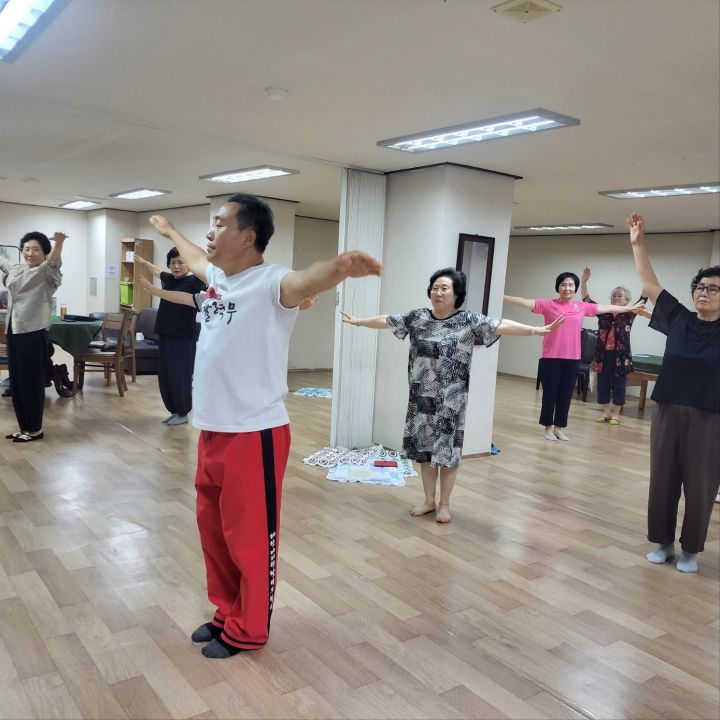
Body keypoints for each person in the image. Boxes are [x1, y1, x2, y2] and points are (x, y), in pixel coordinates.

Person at [148, 194, 382, 658]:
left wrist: (338, 268)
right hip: (212, 428)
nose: (211, 232)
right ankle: (226, 611)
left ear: (247, 236)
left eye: (220, 224)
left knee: (250, 537)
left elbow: (304, 279)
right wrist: (171, 231)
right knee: (214, 531)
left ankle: (249, 627)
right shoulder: (219, 278)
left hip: (254, 433)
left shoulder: (272, 282)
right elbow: (195, 258)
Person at [341, 267, 563, 524]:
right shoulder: (418, 317)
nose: (438, 292)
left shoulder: (468, 320)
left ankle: (444, 504)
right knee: (424, 451)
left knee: (447, 454)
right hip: (421, 398)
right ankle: (428, 500)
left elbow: (501, 325)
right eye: (435, 288)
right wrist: (360, 321)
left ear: (456, 293)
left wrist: (535, 330)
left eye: (444, 288)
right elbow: (388, 320)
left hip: (451, 401)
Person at [627, 212, 720, 573]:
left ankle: (691, 550)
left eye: (712, 288)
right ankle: (663, 543)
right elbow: (650, 286)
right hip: (667, 411)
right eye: (700, 287)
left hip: (709, 417)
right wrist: (638, 244)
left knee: (701, 486)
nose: (704, 293)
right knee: (663, 481)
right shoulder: (679, 319)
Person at [504, 274, 645, 441]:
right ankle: (548, 428)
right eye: (563, 285)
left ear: (575, 288)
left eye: (571, 285)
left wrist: (631, 308)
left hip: (573, 359)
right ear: (558, 287)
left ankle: (558, 428)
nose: (567, 288)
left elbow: (609, 308)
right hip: (551, 357)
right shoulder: (548, 304)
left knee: (565, 396)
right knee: (550, 395)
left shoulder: (581, 307)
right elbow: (524, 302)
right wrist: (500, 295)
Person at [0, 231, 67, 442]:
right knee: (17, 382)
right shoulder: (17, 269)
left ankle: (35, 429)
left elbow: (53, 261)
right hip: (14, 330)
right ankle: (25, 428)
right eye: (27, 249)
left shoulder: (47, 272)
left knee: (31, 381)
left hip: (33, 332)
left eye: (36, 249)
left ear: (45, 252)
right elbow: (3, 262)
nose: (30, 253)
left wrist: (59, 243)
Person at [135, 249, 206, 425]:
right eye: (173, 262)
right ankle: (174, 410)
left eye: (181, 262)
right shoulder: (169, 279)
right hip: (165, 334)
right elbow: (157, 271)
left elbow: (208, 279)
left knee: (180, 375)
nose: (176, 266)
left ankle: (183, 412)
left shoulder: (194, 281)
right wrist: (143, 262)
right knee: (166, 375)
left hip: (183, 337)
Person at [580, 267, 650, 424]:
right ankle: (605, 412)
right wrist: (583, 282)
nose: (616, 297)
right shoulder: (603, 312)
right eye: (614, 295)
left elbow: (643, 299)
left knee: (619, 385)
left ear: (626, 300)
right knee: (603, 384)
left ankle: (616, 414)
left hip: (621, 357)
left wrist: (646, 278)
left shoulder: (630, 313)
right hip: (602, 355)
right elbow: (586, 301)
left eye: (620, 296)